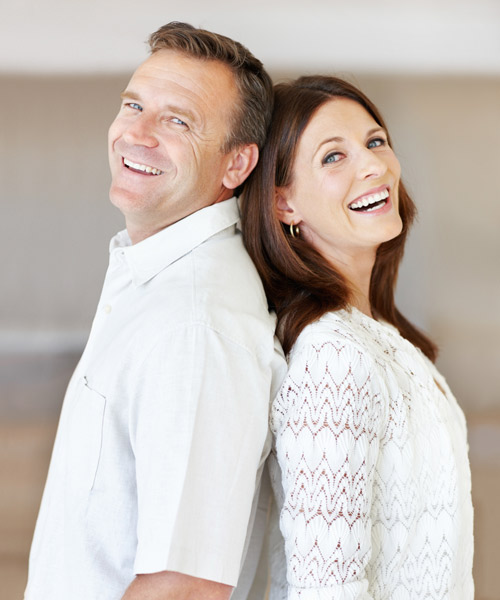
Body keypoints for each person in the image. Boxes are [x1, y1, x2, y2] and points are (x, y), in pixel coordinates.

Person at [25, 22, 286, 600]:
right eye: (134, 104)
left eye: (177, 121)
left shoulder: (196, 326)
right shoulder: (152, 280)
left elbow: (184, 588)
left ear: (236, 166)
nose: (135, 133)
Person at [241, 75, 474, 599]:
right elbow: (327, 588)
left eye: (374, 141)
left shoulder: (377, 336)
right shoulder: (332, 357)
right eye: (332, 157)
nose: (374, 166)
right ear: (284, 204)